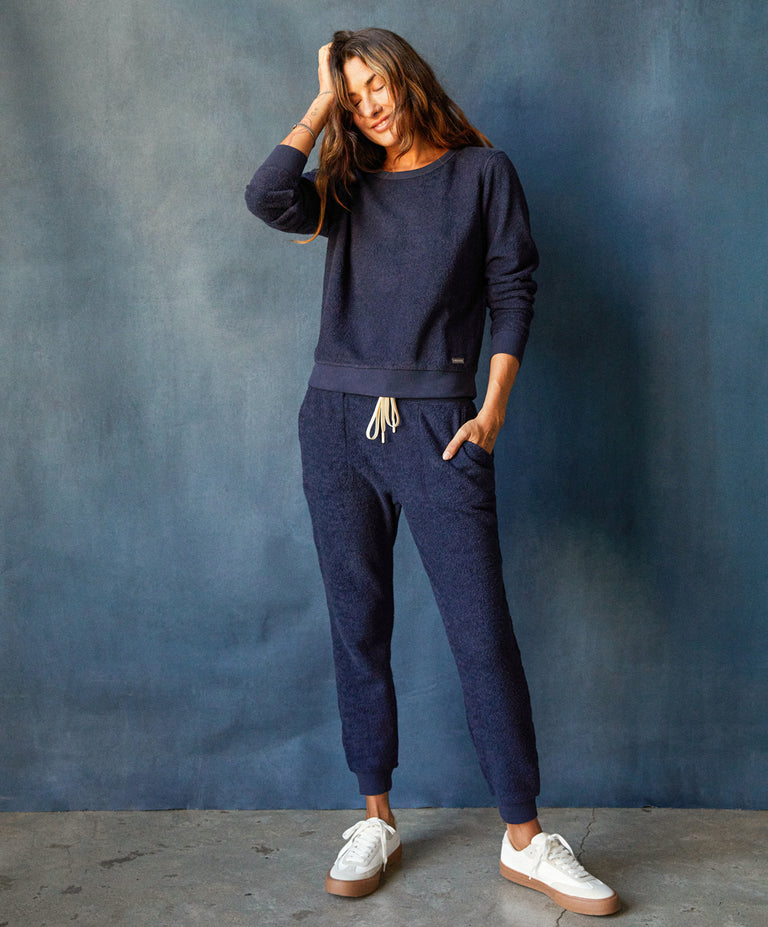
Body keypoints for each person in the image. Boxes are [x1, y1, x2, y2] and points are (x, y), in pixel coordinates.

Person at [245, 28, 620, 917]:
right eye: (352, 95)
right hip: (336, 424)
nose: (368, 105)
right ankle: (375, 817)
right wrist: (320, 105)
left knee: (481, 631)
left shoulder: (482, 174)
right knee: (358, 622)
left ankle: (524, 836)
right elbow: (266, 195)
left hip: (440, 427)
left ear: (406, 78)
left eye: (374, 85)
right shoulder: (346, 185)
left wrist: (491, 411)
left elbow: (513, 290)